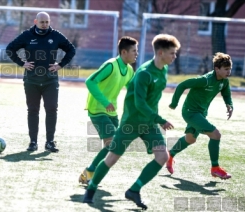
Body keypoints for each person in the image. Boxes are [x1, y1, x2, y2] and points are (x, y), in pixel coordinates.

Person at [83, 34, 181, 209]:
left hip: (149, 124)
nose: (175, 56)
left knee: (162, 156)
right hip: (132, 123)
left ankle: (134, 190)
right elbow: (139, 103)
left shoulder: (163, 70)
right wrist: (160, 120)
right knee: (112, 157)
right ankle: (91, 188)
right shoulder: (144, 73)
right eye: (172, 53)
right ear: (160, 53)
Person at [6, 12, 75, 153]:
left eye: (47, 22)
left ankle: (50, 142)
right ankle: (33, 142)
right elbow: (10, 49)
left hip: (50, 80)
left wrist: (60, 65)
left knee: (51, 110)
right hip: (31, 81)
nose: (44, 24)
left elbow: (71, 50)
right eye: (42, 22)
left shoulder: (55, 35)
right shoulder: (27, 35)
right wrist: (22, 63)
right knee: (33, 111)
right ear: (36, 21)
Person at [79, 36, 137, 184]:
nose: (136, 54)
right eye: (134, 51)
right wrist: (105, 102)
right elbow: (90, 81)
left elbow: (133, 91)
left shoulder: (129, 70)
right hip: (98, 109)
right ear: (124, 52)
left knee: (114, 146)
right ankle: (90, 171)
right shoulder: (111, 65)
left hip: (112, 112)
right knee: (112, 144)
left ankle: (89, 172)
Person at [167, 52, 233, 180]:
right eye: (226, 69)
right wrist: (174, 103)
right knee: (216, 135)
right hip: (190, 112)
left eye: (229, 69)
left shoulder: (224, 81)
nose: (228, 72)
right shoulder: (206, 80)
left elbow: (226, 93)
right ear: (217, 69)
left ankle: (169, 155)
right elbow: (182, 85)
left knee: (190, 139)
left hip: (201, 113)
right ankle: (215, 168)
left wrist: (229, 105)